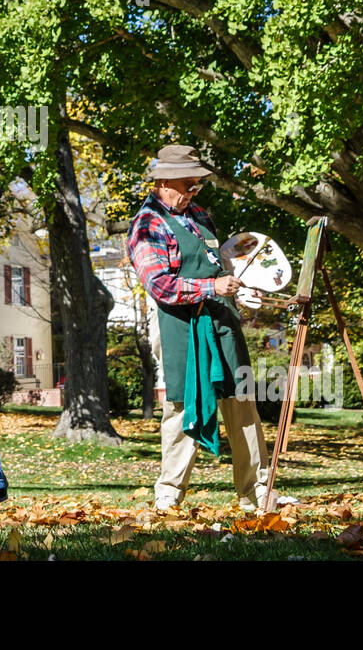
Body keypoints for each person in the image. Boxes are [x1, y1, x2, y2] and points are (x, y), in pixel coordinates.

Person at [127, 144, 288, 512]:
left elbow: (218, 265)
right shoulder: (147, 225)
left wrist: (238, 287)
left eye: (198, 185)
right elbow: (159, 286)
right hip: (179, 324)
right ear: (163, 181)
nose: (194, 192)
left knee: (241, 399)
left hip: (221, 318)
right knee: (183, 405)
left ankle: (256, 490)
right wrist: (211, 288)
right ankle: (169, 493)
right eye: (189, 185)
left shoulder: (198, 213)